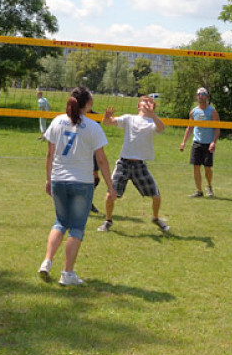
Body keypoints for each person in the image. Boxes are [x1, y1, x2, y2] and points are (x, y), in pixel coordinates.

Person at [38, 86, 116, 286]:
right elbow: (102, 160)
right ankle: (67, 273)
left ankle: (47, 262)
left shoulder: (57, 121)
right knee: (77, 228)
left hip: (58, 179)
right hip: (81, 182)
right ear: (88, 104)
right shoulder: (92, 127)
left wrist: (48, 179)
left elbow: (49, 154)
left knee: (60, 222)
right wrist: (110, 186)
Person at [98, 95, 169, 233]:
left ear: (153, 107)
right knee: (110, 194)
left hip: (140, 165)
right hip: (123, 163)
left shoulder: (152, 122)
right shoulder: (129, 118)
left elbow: (161, 128)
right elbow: (107, 123)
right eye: (144, 101)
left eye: (150, 102)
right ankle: (108, 221)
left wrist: (152, 114)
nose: (147, 102)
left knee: (156, 195)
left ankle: (155, 218)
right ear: (138, 106)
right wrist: (106, 117)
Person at [179, 87, 220, 198]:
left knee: (207, 168)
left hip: (208, 143)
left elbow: (217, 129)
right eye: (199, 94)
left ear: (206, 96)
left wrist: (213, 142)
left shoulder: (212, 111)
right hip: (197, 142)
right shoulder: (194, 111)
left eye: (203, 94)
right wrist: (183, 142)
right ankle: (199, 191)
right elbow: (190, 127)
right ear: (196, 96)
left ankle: (209, 186)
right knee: (196, 167)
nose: (200, 96)